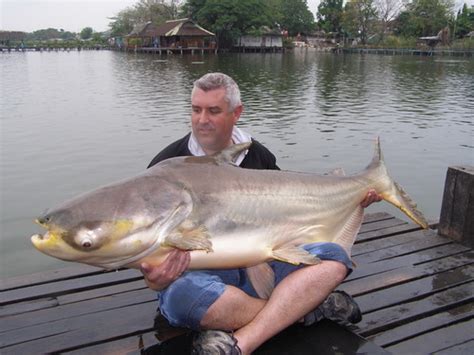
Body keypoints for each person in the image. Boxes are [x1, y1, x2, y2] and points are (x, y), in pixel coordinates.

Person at [142, 72, 381, 354]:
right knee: (181, 298)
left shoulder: (258, 155)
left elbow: (289, 212)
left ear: (236, 113)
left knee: (334, 258)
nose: (202, 120)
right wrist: (154, 279)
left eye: (213, 111)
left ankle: (241, 340)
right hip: (199, 275)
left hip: (262, 265)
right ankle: (304, 308)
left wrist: (352, 200)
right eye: (196, 109)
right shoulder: (166, 165)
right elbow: (147, 253)